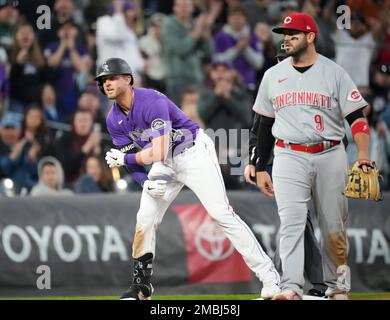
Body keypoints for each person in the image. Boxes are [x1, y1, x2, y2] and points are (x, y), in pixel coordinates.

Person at [96, 57, 281, 300]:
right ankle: (141, 287)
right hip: (164, 163)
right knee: (145, 217)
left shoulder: (151, 100)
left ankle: (270, 278)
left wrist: (126, 161)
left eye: (111, 78)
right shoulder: (113, 119)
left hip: (193, 153)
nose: (106, 83)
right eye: (102, 80)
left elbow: (153, 152)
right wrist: (144, 182)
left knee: (221, 213)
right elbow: (133, 154)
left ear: (128, 79)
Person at [253, 12, 372, 300]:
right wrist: (259, 166)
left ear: (311, 36)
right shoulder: (272, 76)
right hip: (288, 154)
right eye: (285, 34)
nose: (287, 39)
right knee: (291, 223)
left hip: (330, 153)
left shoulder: (334, 73)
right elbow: (264, 126)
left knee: (334, 225)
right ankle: (291, 287)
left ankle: (338, 286)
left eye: (294, 34)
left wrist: (364, 156)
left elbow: (357, 119)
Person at [244, 40, 327, 297]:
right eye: (280, 59)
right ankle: (313, 283)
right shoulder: (272, 84)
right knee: (297, 221)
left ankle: (289, 281)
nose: (283, 63)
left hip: (311, 158)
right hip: (279, 161)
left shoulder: (312, 86)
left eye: (287, 58)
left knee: (297, 221)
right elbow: (259, 127)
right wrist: (254, 162)